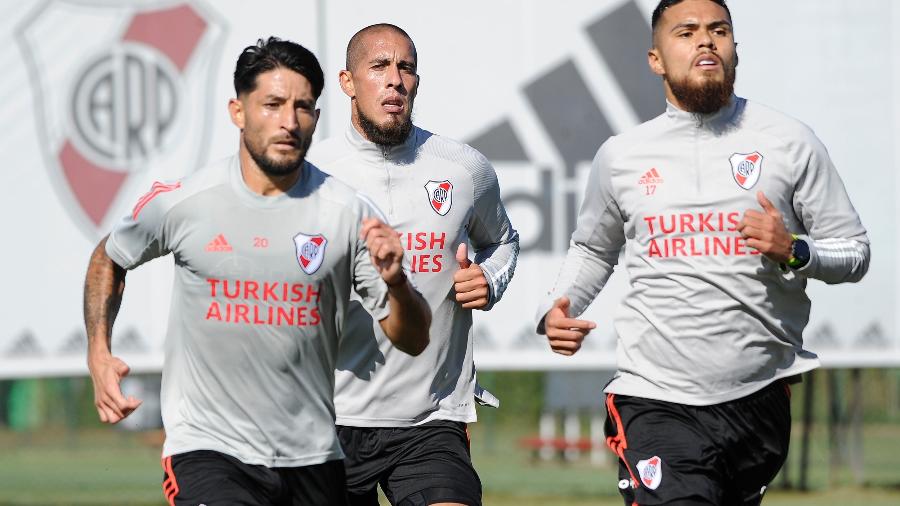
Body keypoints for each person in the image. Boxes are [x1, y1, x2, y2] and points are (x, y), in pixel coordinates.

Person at [536, 0, 870, 504]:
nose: (705, 41)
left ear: (736, 49)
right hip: (654, 396)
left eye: (719, 30)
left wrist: (795, 250)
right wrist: (558, 306)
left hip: (758, 400)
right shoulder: (622, 156)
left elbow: (855, 252)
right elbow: (592, 249)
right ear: (655, 58)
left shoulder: (790, 142)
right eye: (686, 32)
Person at [83, 37, 430, 506]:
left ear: (317, 117)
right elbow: (111, 256)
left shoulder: (348, 213)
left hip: (313, 456)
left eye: (303, 107)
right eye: (272, 104)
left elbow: (411, 338)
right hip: (209, 450)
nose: (289, 122)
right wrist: (98, 351)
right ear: (237, 111)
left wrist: (397, 283)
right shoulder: (188, 201)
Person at [308, 23, 519, 506]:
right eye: (379, 67)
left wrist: (489, 278)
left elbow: (504, 241)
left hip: (431, 420)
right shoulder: (312, 175)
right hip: (328, 419)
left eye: (406, 68)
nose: (395, 80)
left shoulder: (462, 168)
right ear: (347, 82)